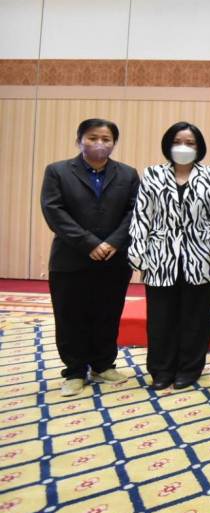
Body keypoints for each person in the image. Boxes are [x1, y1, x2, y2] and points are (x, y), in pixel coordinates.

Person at [41, 118, 140, 396]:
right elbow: (54, 211)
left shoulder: (128, 174)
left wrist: (114, 242)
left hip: (114, 259)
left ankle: (103, 365)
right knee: (70, 316)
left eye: (106, 139)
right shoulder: (58, 171)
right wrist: (89, 244)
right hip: (70, 259)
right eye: (92, 138)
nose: (99, 144)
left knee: (108, 313)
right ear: (79, 140)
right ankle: (74, 371)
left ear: (114, 143)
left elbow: (134, 212)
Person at [128, 122, 210, 391]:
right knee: (161, 318)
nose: (183, 147)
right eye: (178, 142)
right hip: (160, 257)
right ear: (168, 145)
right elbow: (141, 215)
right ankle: (161, 369)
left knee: (197, 318)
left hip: (202, 257)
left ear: (199, 147)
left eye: (190, 143)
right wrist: (137, 252)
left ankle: (189, 369)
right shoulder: (153, 174)